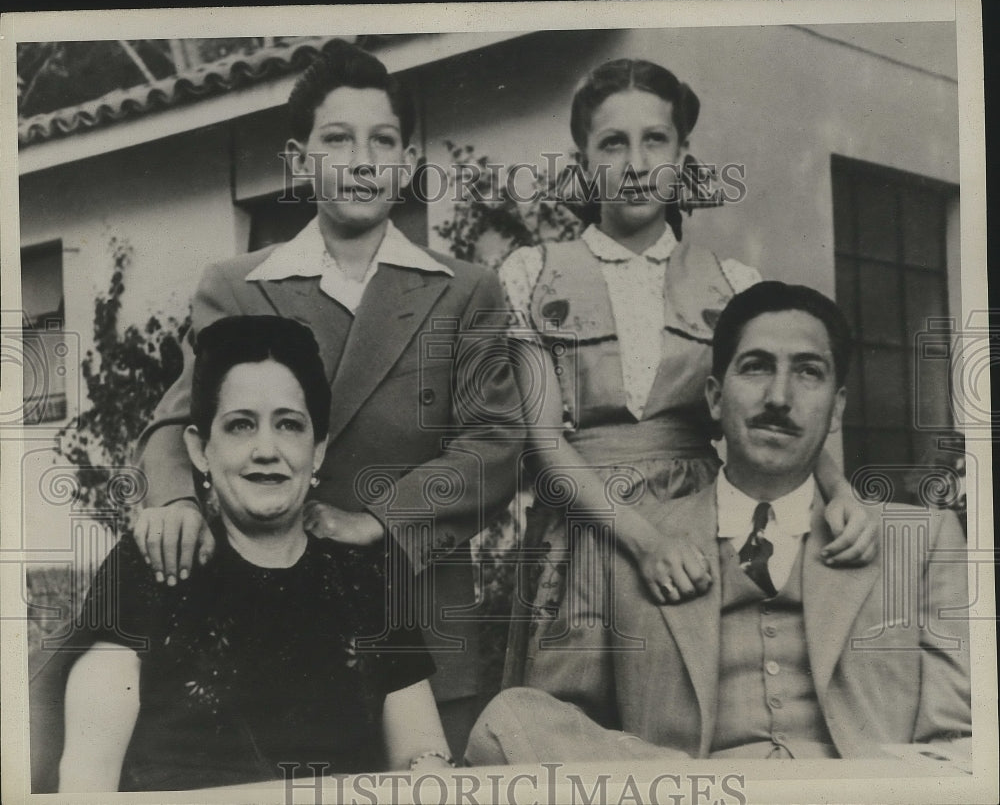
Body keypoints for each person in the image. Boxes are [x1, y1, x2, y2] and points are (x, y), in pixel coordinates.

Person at [132, 40, 522, 755]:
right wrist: (176, 502)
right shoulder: (241, 284)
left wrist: (377, 519)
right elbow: (175, 425)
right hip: (270, 615)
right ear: (298, 160)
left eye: (383, 141)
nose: (363, 160)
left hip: (417, 613)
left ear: (407, 162)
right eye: (336, 140)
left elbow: (494, 446)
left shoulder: (465, 289)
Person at [467, 282, 971, 763]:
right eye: (755, 368)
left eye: (808, 372)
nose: (779, 396)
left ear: (836, 408)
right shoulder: (618, 548)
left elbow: (957, 736)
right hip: (690, 791)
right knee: (512, 717)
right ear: (713, 398)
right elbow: (563, 719)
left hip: (853, 790)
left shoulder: (921, 543)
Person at [500, 58, 877, 685]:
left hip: (703, 525)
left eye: (656, 140)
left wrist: (843, 494)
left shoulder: (733, 284)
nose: (638, 164)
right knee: (569, 713)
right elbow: (543, 441)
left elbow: (773, 416)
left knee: (693, 701)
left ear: (682, 156)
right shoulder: (534, 274)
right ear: (584, 164)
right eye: (612, 143)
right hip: (585, 529)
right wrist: (647, 543)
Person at [58, 316, 452, 792]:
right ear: (201, 450)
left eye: (289, 425)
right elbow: (87, 774)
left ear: (318, 449)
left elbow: (421, 750)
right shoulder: (154, 564)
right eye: (241, 425)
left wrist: (427, 772)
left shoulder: (366, 578)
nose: (267, 449)